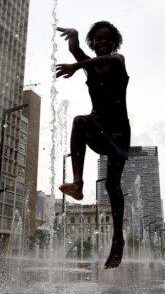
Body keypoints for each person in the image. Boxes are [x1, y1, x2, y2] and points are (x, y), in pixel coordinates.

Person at [55, 21, 130, 269]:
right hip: (98, 125)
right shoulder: (91, 65)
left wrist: (77, 65)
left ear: (114, 43)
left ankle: (118, 239)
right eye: (98, 39)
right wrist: (74, 37)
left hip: (118, 132)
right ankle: (78, 184)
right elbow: (76, 51)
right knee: (79, 122)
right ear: (93, 42)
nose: (102, 43)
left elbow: (92, 62)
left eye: (107, 39)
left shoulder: (118, 60)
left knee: (112, 183)